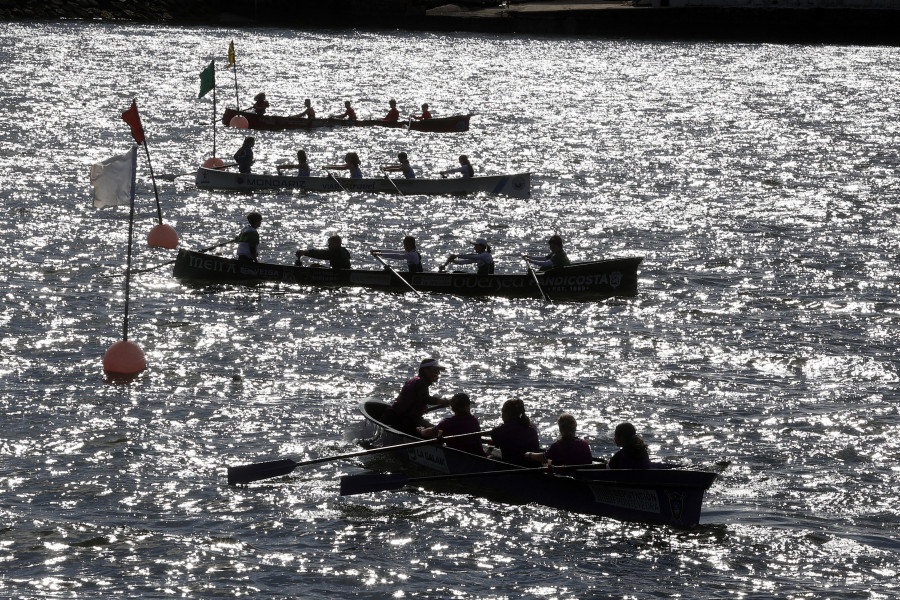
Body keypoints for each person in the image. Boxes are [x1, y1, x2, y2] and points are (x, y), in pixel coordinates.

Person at [382, 358, 451, 435]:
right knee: (438, 433)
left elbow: (415, 400)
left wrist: (421, 409)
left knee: (436, 431)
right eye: (435, 370)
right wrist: (443, 401)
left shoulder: (415, 381)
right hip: (402, 420)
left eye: (439, 371)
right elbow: (426, 399)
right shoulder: (421, 383)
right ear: (425, 370)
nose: (438, 373)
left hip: (399, 417)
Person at [418, 392, 484, 455]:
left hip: (459, 456)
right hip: (478, 454)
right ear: (468, 406)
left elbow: (428, 433)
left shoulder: (447, 423)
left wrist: (420, 430)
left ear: (452, 407)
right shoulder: (474, 421)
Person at [524, 414, 593, 466]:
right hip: (582, 476)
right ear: (575, 427)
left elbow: (543, 458)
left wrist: (529, 454)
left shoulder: (557, 446)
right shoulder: (584, 444)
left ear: (560, 429)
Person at [488, 398, 540, 466]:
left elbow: (496, 443)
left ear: (507, 413)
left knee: (490, 457)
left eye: (502, 412)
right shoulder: (532, 427)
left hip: (513, 467)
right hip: (534, 466)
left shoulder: (498, 431)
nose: (502, 415)